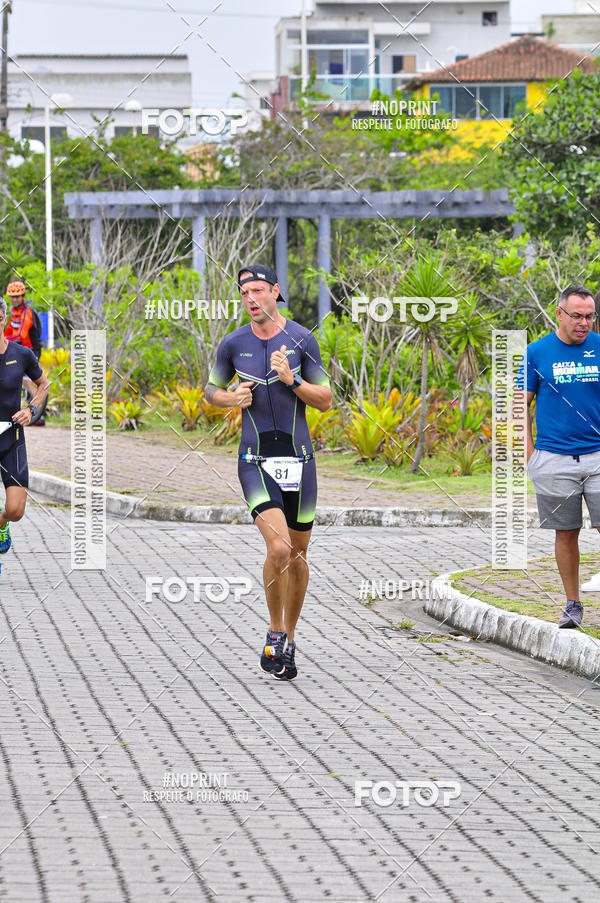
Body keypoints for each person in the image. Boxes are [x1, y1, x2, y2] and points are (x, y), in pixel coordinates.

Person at [205, 264, 332, 680]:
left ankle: (290, 639)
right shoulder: (232, 343)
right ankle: (275, 632)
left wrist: (290, 379)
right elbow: (210, 391)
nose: (251, 299)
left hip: (300, 461)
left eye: (258, 291)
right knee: (278, 549)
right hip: (255, 461)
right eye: (245, 293)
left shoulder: (301, 339)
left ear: (275, 291)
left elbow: (326, 399)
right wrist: (231, 398)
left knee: (297, 556)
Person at [526, 284, 600, 629]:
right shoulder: (537, 352)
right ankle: (573, 604)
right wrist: (531, 455)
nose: (584, 323)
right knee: (567, 533)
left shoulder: (599, 348)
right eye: (577, 316)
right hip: (554, 460)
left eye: (589, 316)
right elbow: (518, 406)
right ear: (559, 313)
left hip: (597, 457)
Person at [0, 297, 50, 554]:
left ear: (4, 319)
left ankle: (1, 522)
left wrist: (32, 410)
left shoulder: (21, 354)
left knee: (16, 511)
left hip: (11, 436)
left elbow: (44, 384)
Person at [4, 280, 46, 425]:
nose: (14, 299)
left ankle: (37, 413)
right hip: (17, 349)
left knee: (29, 382)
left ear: (23, 296)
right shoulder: (12, 312)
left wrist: (5, 340)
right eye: (12, 296)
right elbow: (8, 331)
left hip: (30, 351)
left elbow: (21, 335)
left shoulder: (27, 312)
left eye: (17, 296)